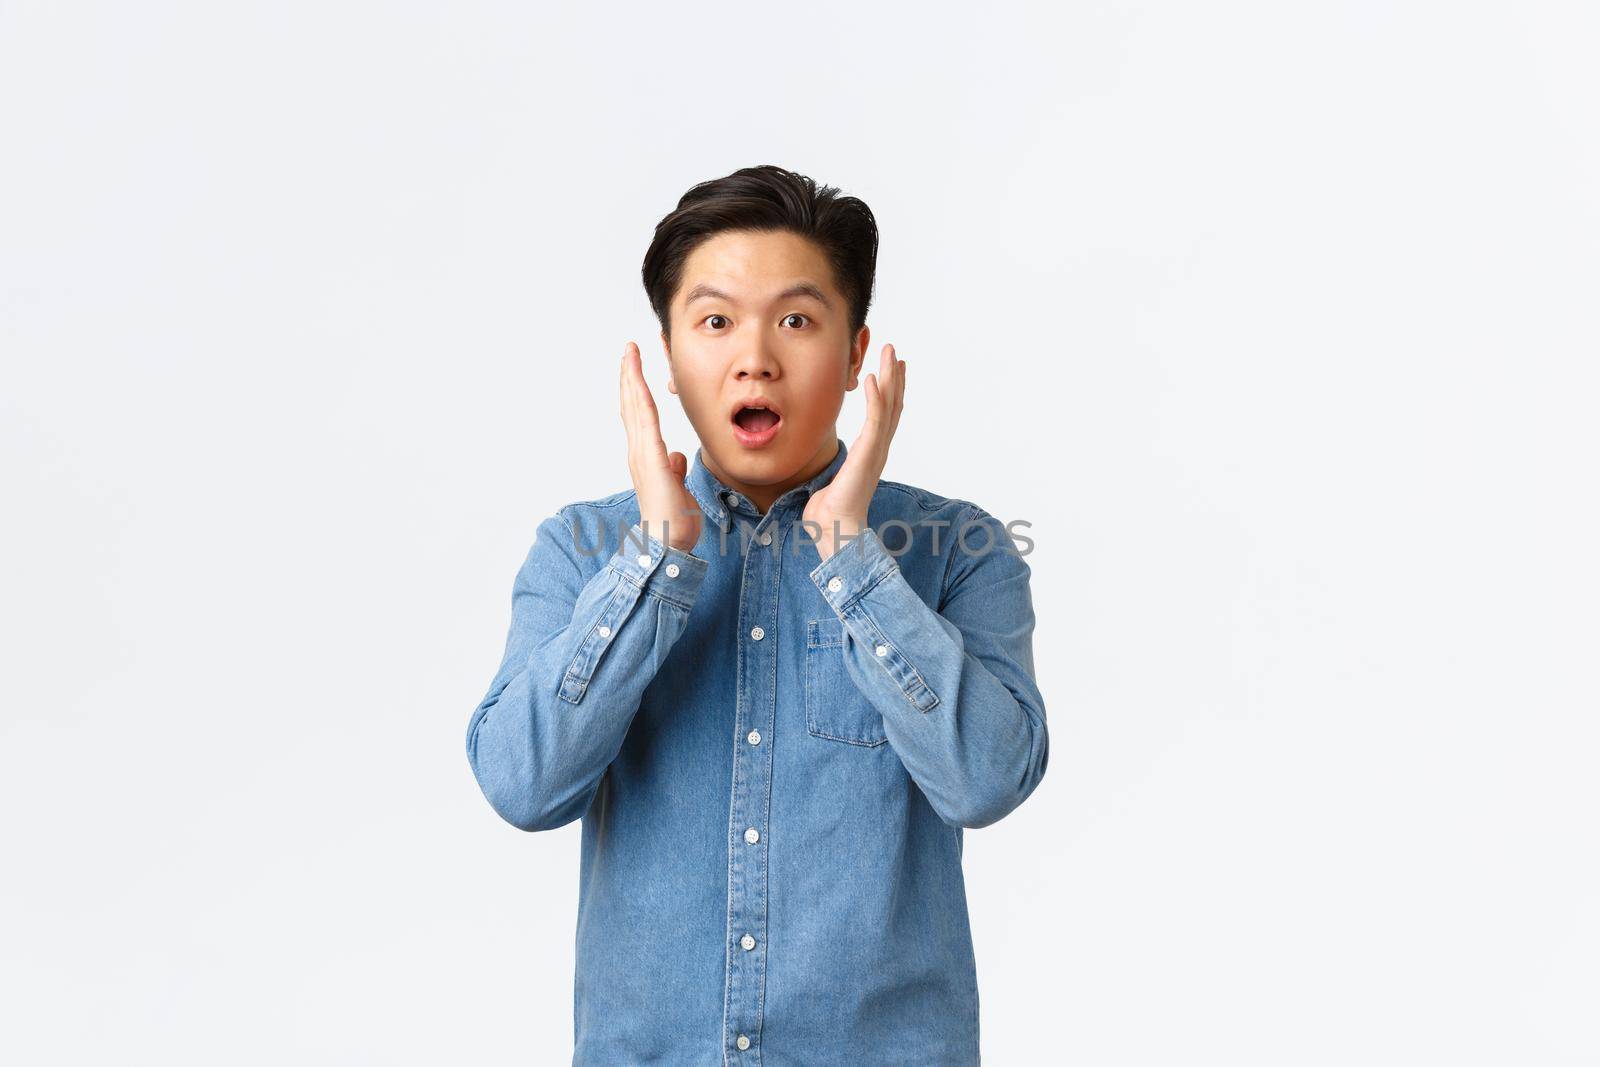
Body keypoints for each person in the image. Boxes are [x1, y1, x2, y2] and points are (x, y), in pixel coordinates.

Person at [465, 164, 1049, 1065]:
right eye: (715, 320)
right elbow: (524, 785)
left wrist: (854, 558)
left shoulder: (956, 548)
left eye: (796, 320)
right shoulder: (583, 549)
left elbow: (987, 781)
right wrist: (658, 556)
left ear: (857, 353)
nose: (755, 356)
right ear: (667, 354)